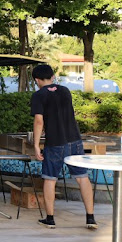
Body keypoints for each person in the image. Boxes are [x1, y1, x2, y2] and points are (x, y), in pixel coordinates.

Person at [30, 64, 97, 230]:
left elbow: (39, 121)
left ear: (37, 80)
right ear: (53, 77)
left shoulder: (39, 95)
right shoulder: (65, 91)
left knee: (50, 178)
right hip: (75, 140)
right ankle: (90, 218)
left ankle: (50, 219)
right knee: (82, 177)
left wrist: (36, 145)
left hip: (55, 143)